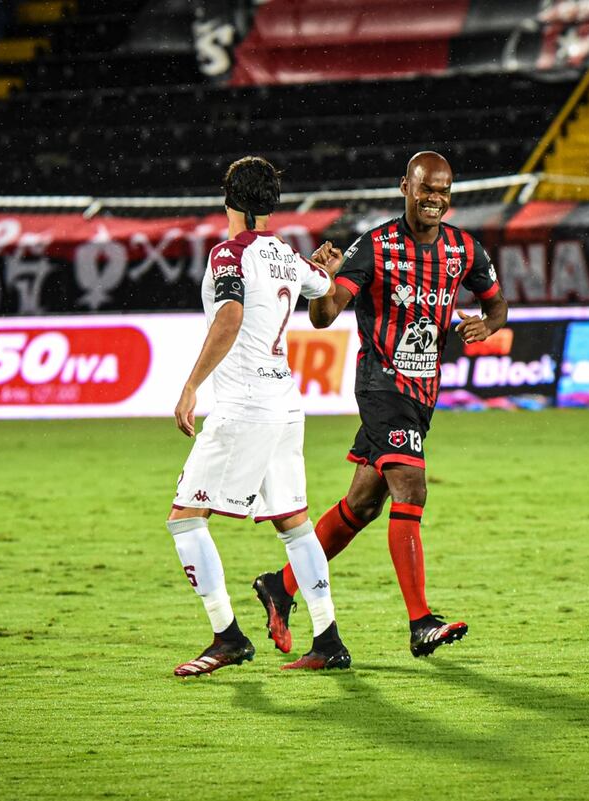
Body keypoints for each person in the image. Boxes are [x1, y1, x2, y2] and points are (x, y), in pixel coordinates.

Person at [254, 151, 508, 658]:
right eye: (425, 188)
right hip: (380, 385)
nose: (434, 198)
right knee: (410, 489)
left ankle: (280, 586)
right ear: (405, 187)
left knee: (363, 505)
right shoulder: (375, 247)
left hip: (423, 394)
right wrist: (321, 282)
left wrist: (490, 324)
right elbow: (325, 317)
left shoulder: (464, 249)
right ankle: (420, 622)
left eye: (443, 190)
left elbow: (496, 301)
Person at [168, 156, 350, 676]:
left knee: (185, 520)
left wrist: (190, 386)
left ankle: (227, 637)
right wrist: (325, 271)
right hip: (285, 406)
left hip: (244, 406)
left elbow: (230, 315)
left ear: (230, 201)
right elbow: (324, 296)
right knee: (295, 525)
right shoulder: (289, 258)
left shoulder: (229, 253)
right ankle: (329, 639)